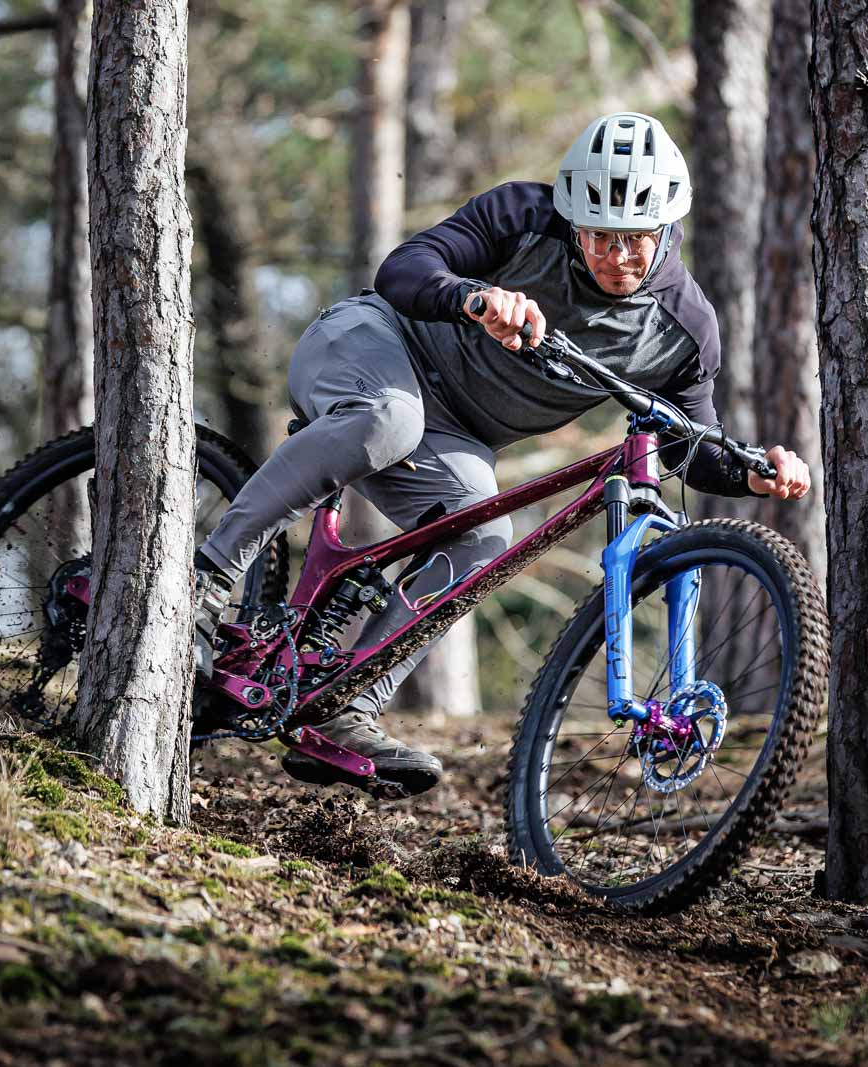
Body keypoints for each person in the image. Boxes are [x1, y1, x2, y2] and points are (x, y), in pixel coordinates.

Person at [193, 112, 811, 796]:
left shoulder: (684, 329)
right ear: (572, 220)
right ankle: (204, 580)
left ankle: (346, 706)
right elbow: (404, 270)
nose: (616, 257)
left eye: (635, 239)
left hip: (450, 437)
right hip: (370, 344)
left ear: (666, 229)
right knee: (391, 418)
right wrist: (474, 297)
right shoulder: (523, 216)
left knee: (485, 539)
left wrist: (756, 473)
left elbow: (688, 446)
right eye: (598, 236)